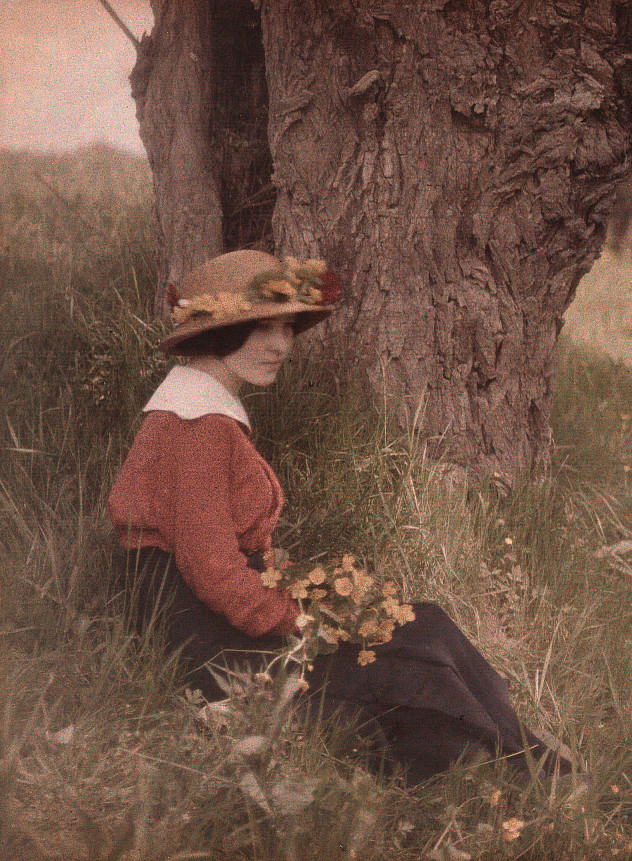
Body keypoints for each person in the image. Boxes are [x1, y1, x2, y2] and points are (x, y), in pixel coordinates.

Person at [108, 249, 568, 785]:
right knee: (412, 667)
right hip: (203, 640)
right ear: (214, 334)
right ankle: (522, 774)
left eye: (286, 328)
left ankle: (525, 760)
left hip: (219, 616)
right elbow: (214, 575)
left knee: (427, 625)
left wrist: (321, 602)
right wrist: (309, 624)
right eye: (260, 328)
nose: (281, 345)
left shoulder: (204, 410)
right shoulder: (196, 424)